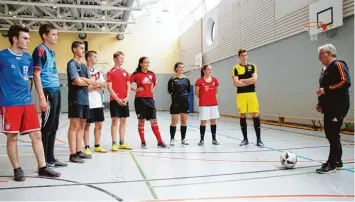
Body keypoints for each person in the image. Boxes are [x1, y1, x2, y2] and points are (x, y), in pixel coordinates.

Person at [0, 25, 61, 181]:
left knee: (37, 134)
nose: (28, 41)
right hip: (10, 103)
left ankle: (42, 167)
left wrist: (38, 98)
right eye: (25, 38)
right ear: (15, 39)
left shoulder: (28, 58)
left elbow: (30, 80)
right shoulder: (2, 57)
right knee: (12, 137)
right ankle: (17, 169)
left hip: (27, 103)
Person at [32, 24, 67, 167]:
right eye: (53, 34)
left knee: (54, 125)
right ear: (45, 35)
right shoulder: (40, 50)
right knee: (46, 126)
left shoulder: (51, 52)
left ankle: (51, 158)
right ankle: (44, 160)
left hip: (56, 90)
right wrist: (41, 98)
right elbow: (36, 74)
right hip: (47, 91)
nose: (56, 37)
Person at [316, 44, 351, 174]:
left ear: (329, 53)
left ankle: (332, 163)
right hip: (329, 106)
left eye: (321, 54)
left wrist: (326, 90)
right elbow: (324, 87)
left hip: (338, 105)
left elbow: (345, 81)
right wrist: (321, 102)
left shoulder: (339, 65)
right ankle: (338, 161)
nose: (319, 58)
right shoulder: (325, 69)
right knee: (330, 134)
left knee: (333, 134)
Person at [67, 41, 99, 163]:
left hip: (85, 99)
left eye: (84, 48)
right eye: (81, 48)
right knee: (74, 126)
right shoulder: (72, 64)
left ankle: (78, 151)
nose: (83, 50)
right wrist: (86, 81)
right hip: (76, 98)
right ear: (74, 49)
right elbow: (77, 81)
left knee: (82, 125)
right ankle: (72, 154)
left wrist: (84, 80)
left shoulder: (84, 66)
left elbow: (88, 81)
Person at [130, 57, 169, 149]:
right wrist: (135, 89)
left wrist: (153, 90)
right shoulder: (136, 74)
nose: (147, 64)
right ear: (141, 64)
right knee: (141, 121)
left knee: (154, 121)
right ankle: (143, 142)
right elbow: (126, 83)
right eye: (145, 62)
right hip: (140, 100)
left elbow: (155, 83)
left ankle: (160, 142)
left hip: (150, 100)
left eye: (148, 62)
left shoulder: (151, 74)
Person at [232, 48, 264, 148]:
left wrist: (243, 80)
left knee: (255, 114)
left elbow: (254, 80)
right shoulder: (235, 68)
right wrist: (248, 81)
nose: (244, 57)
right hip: (241, 95)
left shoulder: (253, 66)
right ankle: (245, 139)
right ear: (239, 57)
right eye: (242, 56)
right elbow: (236, 83)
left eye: (246, 55)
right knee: (242, 115)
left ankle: (259, 140)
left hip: (251, 94)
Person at [83, 50, 107, 156]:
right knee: (87, 125)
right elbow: (85, 88)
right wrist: (97, 85)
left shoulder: (98, 72)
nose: (96, 58)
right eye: (94, 56)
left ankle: (97, 146)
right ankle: (87, 147)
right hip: (88, 103)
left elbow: (105, 86)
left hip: (98, 103)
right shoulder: (84, 71)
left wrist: (94, 85)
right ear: (89, 58)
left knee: (99, 124)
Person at [106, 51, 132, 151]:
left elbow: (129, 86)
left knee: (123, 121)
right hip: (114, 100)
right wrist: (117, 99)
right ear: (115, 59)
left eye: (123, 58)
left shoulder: (125, 72)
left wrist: (127, 97)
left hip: (124, 100)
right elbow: (109, 87)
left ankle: (122, 142)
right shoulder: (110, 72)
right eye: (120, 58)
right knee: (114, 121)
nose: (122, 60)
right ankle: (114, 143)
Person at [195, 64, 220, 146]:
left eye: (211, 69)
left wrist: (212, 99)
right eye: (208, 69)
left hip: (213, 104)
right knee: (203, 122)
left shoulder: (215, 80)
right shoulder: (199, 81)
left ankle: (214, 139)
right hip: (203, 104)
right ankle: (202, 140)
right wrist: (204, 98)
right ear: (204, 70)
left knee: (213, 121)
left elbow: (216, 92)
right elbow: (196, 93)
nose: (210, 71)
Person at [167, 62, 190, 146]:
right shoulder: (172, 79)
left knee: (184, 121)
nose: (181, 69)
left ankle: (183, 139)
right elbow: (169, 91)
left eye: (182, 67)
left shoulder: (186, 79)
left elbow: (188, 91)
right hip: (175, 103)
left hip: (185, 103)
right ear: (176, 68)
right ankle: (172, 139)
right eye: (180, 67)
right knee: (174, 121)